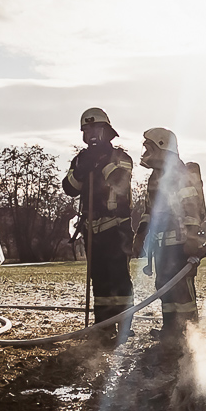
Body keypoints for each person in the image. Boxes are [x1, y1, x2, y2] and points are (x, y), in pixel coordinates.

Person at [62, 108, 135, 340]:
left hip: (117, 227)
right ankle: (103, 326)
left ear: (107, 131)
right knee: (100, 280)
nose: (91, 133)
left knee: (119, 277)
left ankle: (124, 325)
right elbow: (69, 188)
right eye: (87, 129)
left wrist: (100, 163)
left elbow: (120, 180)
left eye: (96, 128)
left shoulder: (121, 157)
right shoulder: (80, 159)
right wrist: (80, 170)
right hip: (92, 230)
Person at [133, 127, 206, 346]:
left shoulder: (179, 174)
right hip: (161, 246)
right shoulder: (155, 177)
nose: (146, 153)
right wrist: (140, 235)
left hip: (180, 244)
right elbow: (149, 211)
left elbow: (191, 207)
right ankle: (171, 330)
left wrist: (191, 238)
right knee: (164, 287)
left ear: (162, 147)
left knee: (182, 291)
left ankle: (189, 335)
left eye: (149, 148)